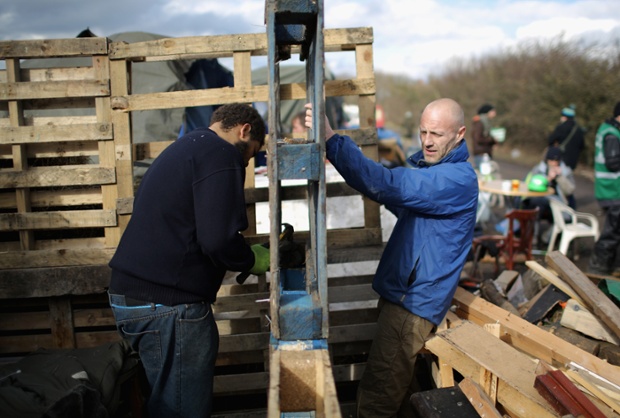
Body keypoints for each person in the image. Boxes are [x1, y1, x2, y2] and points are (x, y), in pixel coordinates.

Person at [305, 98, 478, 417]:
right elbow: (397, 199)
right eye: (423, 131)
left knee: (378, 395)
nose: (427, 140)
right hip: (402, 296)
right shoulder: (438, 174)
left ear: (459, 134)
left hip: (412, 304)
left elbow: (387, 185)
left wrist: (331, 140)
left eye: (437, 134)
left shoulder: (454, 179)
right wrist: (379, 187)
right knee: (401, 389)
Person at [107, 103, 270, 418]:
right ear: (244, 130)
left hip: (132, 299)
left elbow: (195, 224)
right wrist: (251, 259)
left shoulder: (185, 148)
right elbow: (217, 239)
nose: (246, 163)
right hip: (168, 306)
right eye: (250, 156)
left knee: (163, 406)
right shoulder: (222, 155)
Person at [588, 101, 620, 276]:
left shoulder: (607, 130)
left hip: (609, 189)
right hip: (613, 190)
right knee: (612, 232)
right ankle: (599, 270)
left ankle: (608, 267)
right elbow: (613, 162)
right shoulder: (613, 134)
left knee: (614, 230)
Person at [523, 145, 576, 219]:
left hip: (558, 201)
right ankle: (532, 226)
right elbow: (531, 185)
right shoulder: (538, 169)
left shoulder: (566, 171)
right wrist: (548, 179)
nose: (553, 163)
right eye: (551, 161)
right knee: (535, 203)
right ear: (547, 160)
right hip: (540, 198)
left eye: (556, 161)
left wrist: (560, 177)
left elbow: (570, 191)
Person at [548, 105, 585, 171]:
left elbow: (550, 140)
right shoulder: (579, 130)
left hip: (561, 160)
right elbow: (582, 146)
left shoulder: (561, 127)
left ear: (564, 117)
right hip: (572, 162)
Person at [471, 103, 498, 170]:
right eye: (492, 111)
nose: (494, 113)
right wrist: (492, 140)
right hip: (481, 153)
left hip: (484, 152)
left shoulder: (486, 122)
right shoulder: (480, 123)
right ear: (487, 112)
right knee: (483, 175)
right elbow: (478, 138)